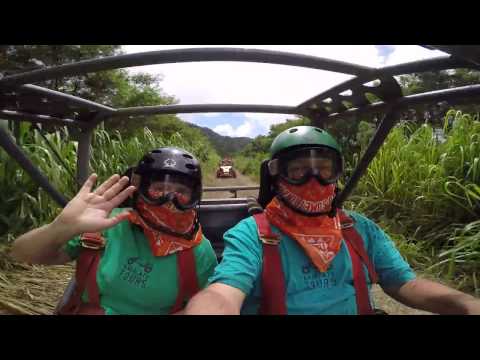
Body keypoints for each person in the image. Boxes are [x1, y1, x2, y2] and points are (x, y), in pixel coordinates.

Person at [184, 126, 480, 315]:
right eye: (298, 170)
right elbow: (223, 293)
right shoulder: (252, 235)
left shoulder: (358, 228)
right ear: (275, 174)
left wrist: (464, 303)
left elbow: (405, 283)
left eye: (324, 169)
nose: (313, 179)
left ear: (337, 174)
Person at [11, 147, 217, 315]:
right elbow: (21, 253)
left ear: (193, 198)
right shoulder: (106, 223)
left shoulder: (199, 250)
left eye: (181, 192)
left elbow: (207, 306)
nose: (168, 200)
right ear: (141, 189)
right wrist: (61, 227)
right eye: (158, 190)